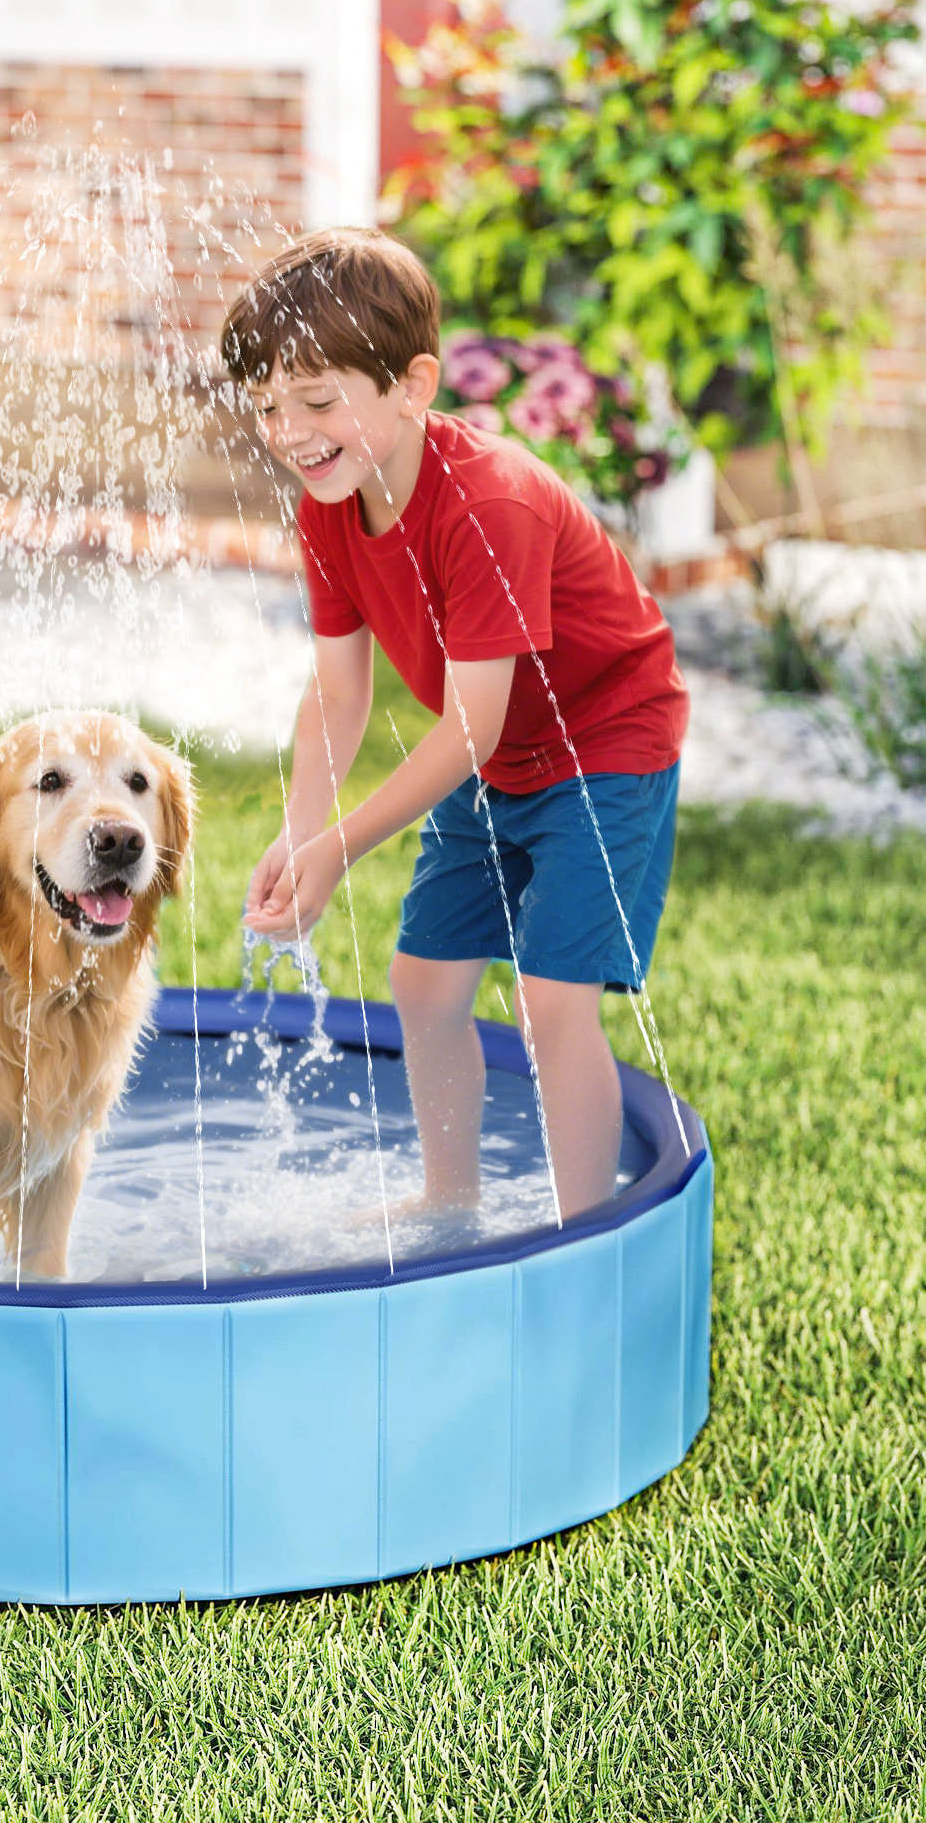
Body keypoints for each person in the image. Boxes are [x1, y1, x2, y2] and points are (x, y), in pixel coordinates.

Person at [230, 229, 688, 1222]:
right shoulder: (329, 503)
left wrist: (340, 849)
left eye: (315, 401)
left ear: (412, 383)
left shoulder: (487, 502)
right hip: (498, 756)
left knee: (551, 1003)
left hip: (602, 744)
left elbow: (469, 729)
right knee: (423, 983)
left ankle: (582, 1237)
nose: (288, 430)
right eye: (267, 405)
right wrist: (302, 829)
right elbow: (337, 696)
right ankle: (448, 1198)